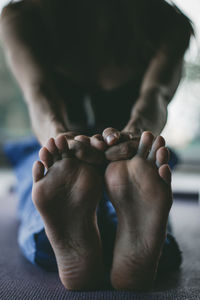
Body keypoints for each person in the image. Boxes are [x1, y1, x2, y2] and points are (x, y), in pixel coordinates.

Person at [0, 0, 193, 291]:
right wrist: (61, 140)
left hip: (129, 156)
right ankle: (140, 243)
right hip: (63, 147)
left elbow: (156, 94)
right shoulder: (21, 17)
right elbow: (39, 94)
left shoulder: (169, 23)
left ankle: (63, 238)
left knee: (44, 194)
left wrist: (131, 139)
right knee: (50, 167)